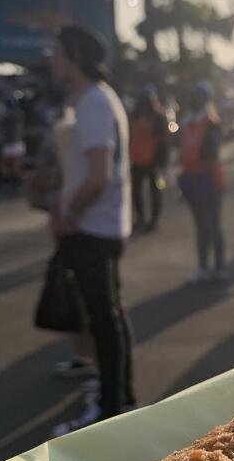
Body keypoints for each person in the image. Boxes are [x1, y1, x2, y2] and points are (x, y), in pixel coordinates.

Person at [48, 24, 136, 436]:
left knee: (103, 319)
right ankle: (120, 398)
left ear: (75, 58)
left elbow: (99, 174)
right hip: (100, 227)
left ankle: (110, 409)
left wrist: (69, 215)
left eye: (58, 53)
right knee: (109, 317)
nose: (53, 61)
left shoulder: (94, 103)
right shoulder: (98, 100)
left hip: (92, 230)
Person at [178, 81, 226, 284]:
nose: (193, 100)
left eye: (197, 96)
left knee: (212, 225)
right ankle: (203, 267)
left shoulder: (210, 121)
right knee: (201, 226)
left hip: (208, 178)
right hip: (192, 178)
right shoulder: (189, 121)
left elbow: (209, 153)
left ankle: (219, 267)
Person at [128, 87, 169, 232]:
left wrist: (162, 164)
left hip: (154, 162)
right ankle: (140, 218)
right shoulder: (133, 116)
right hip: (136, 161)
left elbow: (163, 142)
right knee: (136, 192)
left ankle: (154, 220)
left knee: (156, 191)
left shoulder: (158, 118)